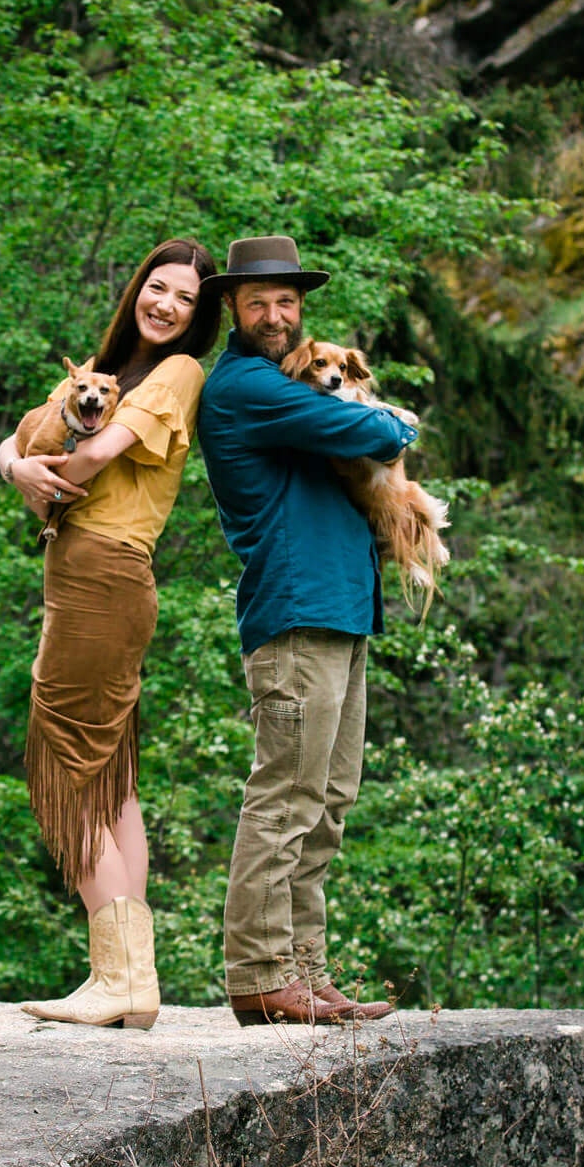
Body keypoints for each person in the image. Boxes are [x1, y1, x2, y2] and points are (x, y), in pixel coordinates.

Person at [0, 238, 222, 1030]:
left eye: (185, 299)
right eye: (157, 288)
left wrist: (34, 474)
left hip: (104, 573)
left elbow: (91, 457)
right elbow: (20, 442)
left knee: (62, 762)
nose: (166, 305)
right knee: (111, 776)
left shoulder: (178, 373)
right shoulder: (97, 374)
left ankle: (119, 975)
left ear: (200, 316)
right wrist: (12, 465)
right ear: (136, 291)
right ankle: (128, 980)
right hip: (91, 577)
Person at [195, 235, 413, 1025]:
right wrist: (392, 422)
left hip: (344, 613)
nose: (275, 315)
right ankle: (258, 973)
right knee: (286, 799)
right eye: (259, 302)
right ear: (232, 308)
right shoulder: (246, 387)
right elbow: (380, 433)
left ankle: (306, 974)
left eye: (287, 302)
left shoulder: (289, 382)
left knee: (327, 804)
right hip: (295, 614)